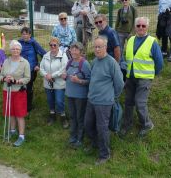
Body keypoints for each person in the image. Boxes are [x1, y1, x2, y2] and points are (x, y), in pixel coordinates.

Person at [84, 36, 124, 165]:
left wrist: (113, 97)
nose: (96, 49)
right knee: (88, 124)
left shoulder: (112, 62)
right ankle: (95, 144)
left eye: (99, 47)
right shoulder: (95, 61)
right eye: (95, 47)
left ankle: (104, 154)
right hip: (91, 100)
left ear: (105, 47)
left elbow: (119, 84)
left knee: (102, 129)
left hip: (104, 103)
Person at [121, 17, 163, 138]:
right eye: (138, 25)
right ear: (135, 27)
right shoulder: (131, 40)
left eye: (143, 26)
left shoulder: (152, 41)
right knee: (128, 102)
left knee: (140, 103)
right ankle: (127, 124)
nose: (140, 28)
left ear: (147, 27)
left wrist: (150, 75)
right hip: (130, 77)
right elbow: (126, 57)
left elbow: (159, 63)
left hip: (144, 79)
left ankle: (147, 125)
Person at [0, 40, 30, 147]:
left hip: (18, 91)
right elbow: (0, 75)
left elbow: (27, 78)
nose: (15, 50)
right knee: (10, 112)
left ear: (20, 50)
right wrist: (4, 78)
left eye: (17, 49)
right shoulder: (6, 61)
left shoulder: (25, 62)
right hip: (7, 90)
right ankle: (12, 131)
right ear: (10, 50)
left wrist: (16, 81)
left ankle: (21, 136)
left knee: (19, 114)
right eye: (13, 49)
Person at [65, 42, 91, 148]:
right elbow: (68, 76)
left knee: (80, 117)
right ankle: (73, 136)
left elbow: (90, 80)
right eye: (72, 49)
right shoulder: (69, 62)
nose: (74, 52)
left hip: (80, 96)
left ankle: (80, 138)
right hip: (69, 94)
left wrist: (79, 81)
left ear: (80, 51)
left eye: (76, 50)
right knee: (72, 116)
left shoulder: (84, 64)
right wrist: (64, 76)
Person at [39, 37, 69, 128]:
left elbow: (63, 69)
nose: (52, 46)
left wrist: (52, 75)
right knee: (50, 100)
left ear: (58, 45)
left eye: (54, 45)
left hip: (59, 83)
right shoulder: (45, 56)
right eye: (51, 45)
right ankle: (52, 115)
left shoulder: (63, 56)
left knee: (59, 101)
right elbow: (41, 68)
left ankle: (63, 116)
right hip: (48, 83)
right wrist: (46, 76)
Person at [18, 27, 46, 112]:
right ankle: (20, 105)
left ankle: (28, 107)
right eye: (23, 34)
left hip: (30, 70)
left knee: (28, 88)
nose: (24, 35)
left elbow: (44, 54)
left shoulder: (34, 43)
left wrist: (39, 65)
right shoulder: (18, 43)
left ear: (30, 35)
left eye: (26, 34)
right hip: (19, 70)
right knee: (20, 88)